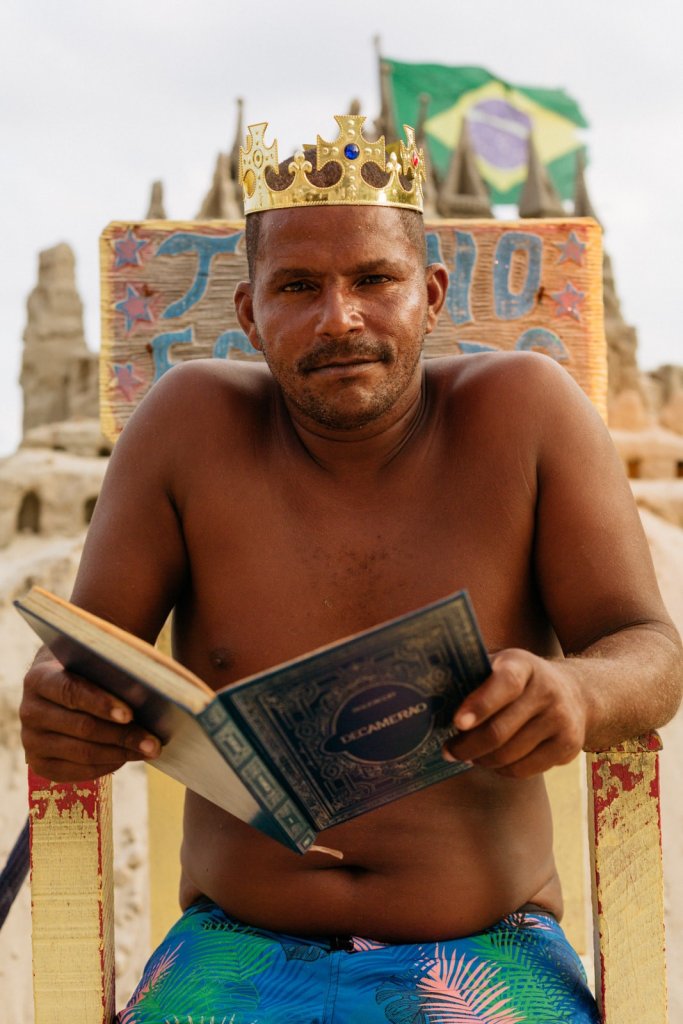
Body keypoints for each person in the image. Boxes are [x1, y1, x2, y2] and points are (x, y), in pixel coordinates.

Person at [21, 115, 682, 1024]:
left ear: (431, 293)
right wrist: (62, 706)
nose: (341, 318)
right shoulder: (185, 430)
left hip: (485, 954)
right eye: (298, 286)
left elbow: (648, 649)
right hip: (232, 947)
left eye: (375, 278)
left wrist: (577, 693)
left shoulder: (527, 415)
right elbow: (85, 662)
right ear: (249, 313)